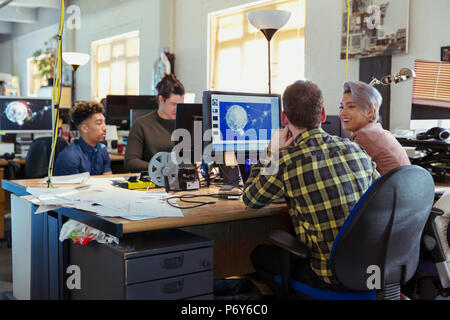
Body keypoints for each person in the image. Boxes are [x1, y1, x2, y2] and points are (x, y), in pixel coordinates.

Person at [242, 80, 380, 295]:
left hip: (328, 277)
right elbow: (381, 194)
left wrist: (272, 154)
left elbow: (251, 200)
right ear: (323, 115)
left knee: (258, 255)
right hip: (370, 270)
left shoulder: (285, 161)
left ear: (284, 118)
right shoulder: (355, 149)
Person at [339, 81, 410, 175]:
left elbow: (350, 176)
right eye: (341, 107)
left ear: (370, 111)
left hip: (389, 189)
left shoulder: (365, 136)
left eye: (351, 107)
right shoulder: (377, 132)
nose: (342, 113)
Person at [124, 74, 185, 172]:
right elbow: (131, 162)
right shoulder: (141, 125)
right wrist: (162, 168)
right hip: (152, 181)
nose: (177, 109)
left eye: (181, 105)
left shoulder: (185, 125)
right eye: (174, 104)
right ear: (161, 100)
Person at [54, 101, 112, 176]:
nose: (105, 128)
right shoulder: (69, 157)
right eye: (99, 123)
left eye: (104, 122)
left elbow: (107, 180)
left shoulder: (102, 150)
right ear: (84, 128)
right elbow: (70, 187)